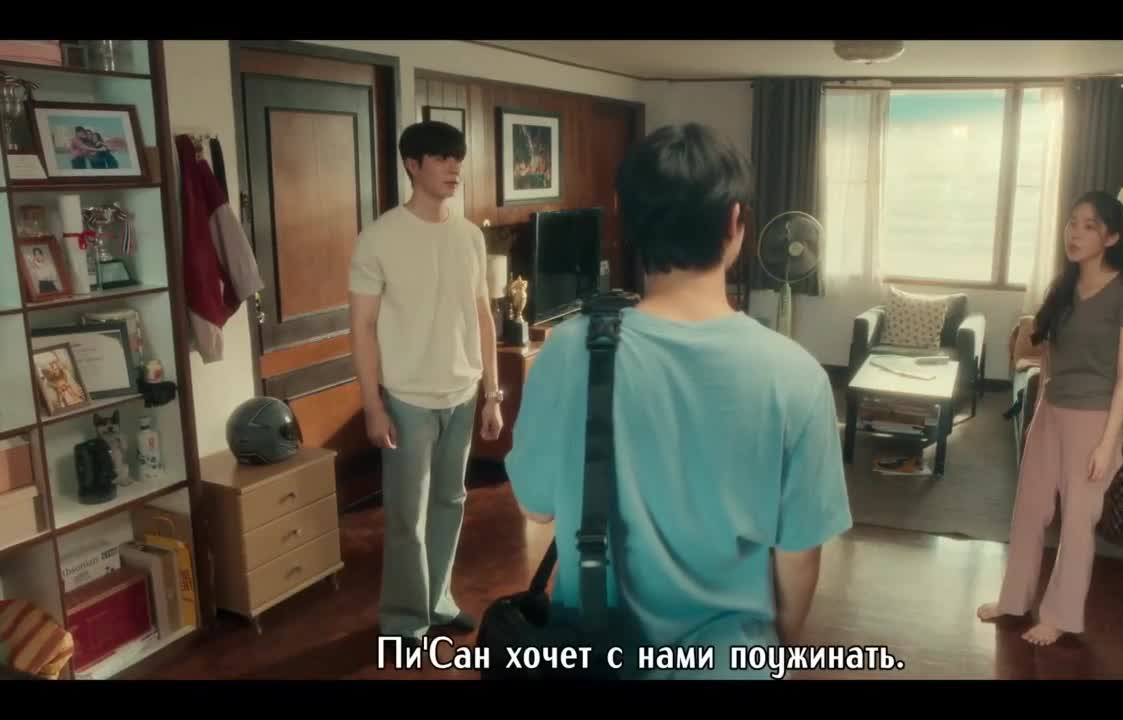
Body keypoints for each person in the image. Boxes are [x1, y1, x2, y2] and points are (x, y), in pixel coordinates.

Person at [504, 123, 852, 678]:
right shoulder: (797, 376)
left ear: (625, 216)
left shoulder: (567, 351)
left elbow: (537, 506)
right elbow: (799, 555)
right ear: (735, 222)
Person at [348, 121, 503, 642]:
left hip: (463, 392)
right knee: (405, 516)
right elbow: (362, 327)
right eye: (442, 158)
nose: (455, 168)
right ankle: (403, 619)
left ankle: (438, 600)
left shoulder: (470, 236)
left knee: (451, 502)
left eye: (458, 158)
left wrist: (492, 394)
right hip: (407, 398)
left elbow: (483, 317)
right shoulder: (379, 238)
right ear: (412, 165)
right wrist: (372, 405)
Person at [977, 190, 1123, 645]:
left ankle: (1060, 616)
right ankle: (1014, 600)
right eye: (1073, 222)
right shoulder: (1064, 287)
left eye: (1090, 225)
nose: (1075, 233)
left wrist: (1108, 443)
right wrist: (1039, 410)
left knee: (1076, 521)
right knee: (1029, 508)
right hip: (1051, 411)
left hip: (1094, 419)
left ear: (1111, 237)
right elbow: (1051, 356)